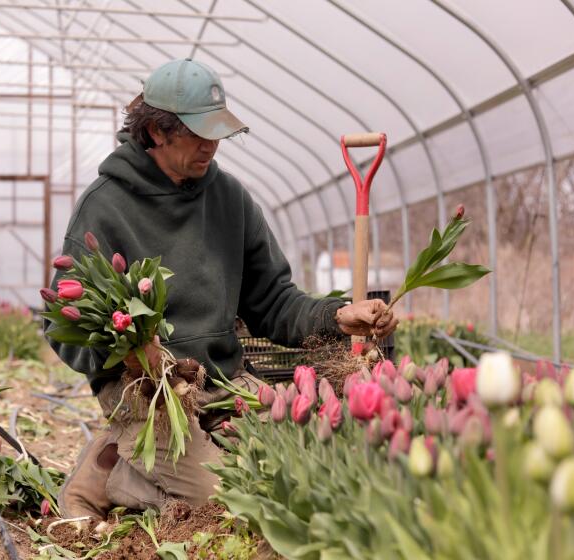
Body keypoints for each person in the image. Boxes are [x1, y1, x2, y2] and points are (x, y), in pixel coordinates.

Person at [45, 58, 398, 521]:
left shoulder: (231, 199)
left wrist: (336, 315)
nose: (211, 145)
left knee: (292, 472)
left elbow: (273, 302)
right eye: (198, 133)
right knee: (225, 497)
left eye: (216, 133)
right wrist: (128, 353)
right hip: (149, 393)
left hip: (225, 381)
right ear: (154, 132)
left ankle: (162, 457)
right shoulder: (105, 208)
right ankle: (111, 473)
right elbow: (64, 324)